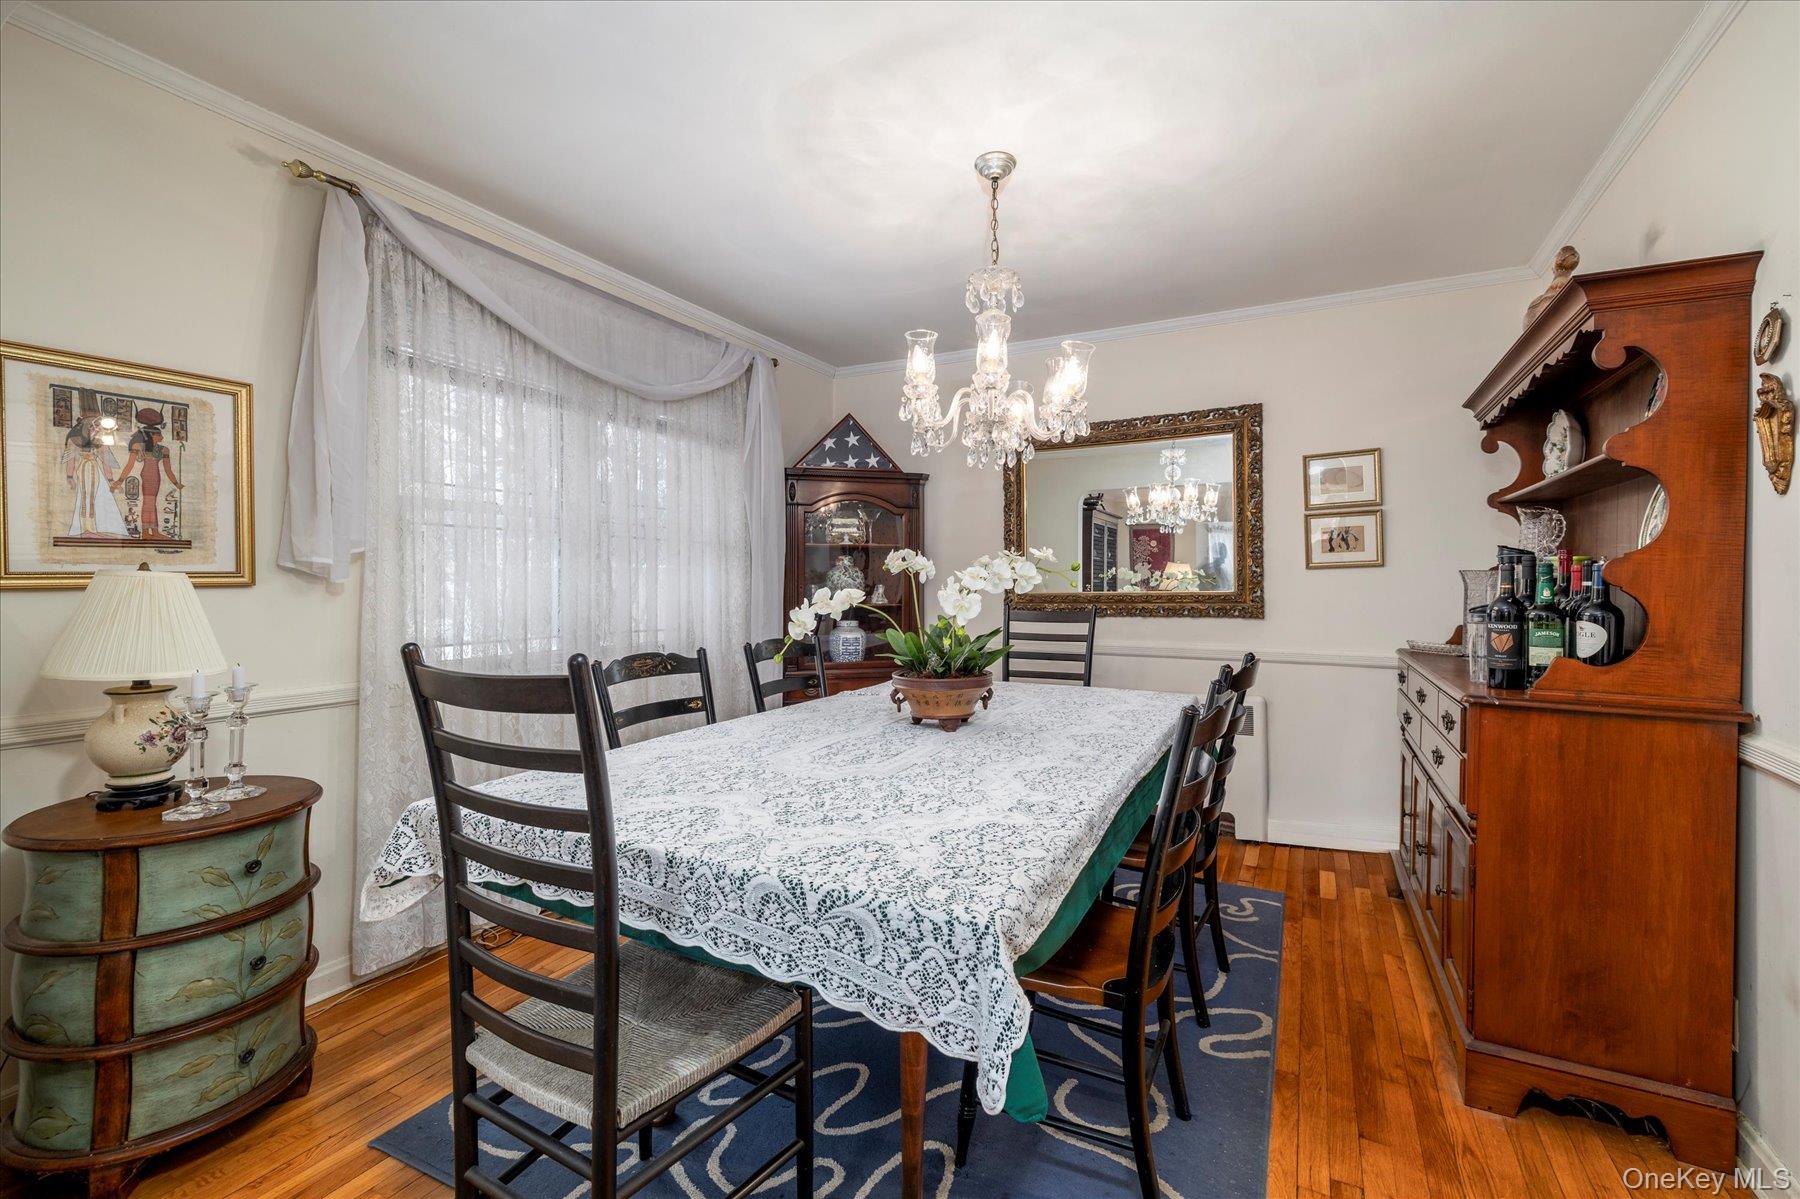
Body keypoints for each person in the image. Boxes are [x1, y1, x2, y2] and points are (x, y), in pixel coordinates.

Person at [112, 408, 183, 539]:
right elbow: (129, 465)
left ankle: (154, 531)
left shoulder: (164, 449)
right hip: (148, 475)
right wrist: (119, 481)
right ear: (152, 436)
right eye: (159, 435)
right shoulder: (139, 447)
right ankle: (146, 532)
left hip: (156, 476)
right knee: (148, 502)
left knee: (151, 502)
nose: (162, 437)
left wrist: (177, 484)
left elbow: (168, 470)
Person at [61, 414, 129, 538]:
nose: (98, 430)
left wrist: (111, 480)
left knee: (94, 498)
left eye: (99, 427)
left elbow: (106, 462)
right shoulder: (75, 439)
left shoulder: (100, 441)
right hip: (84, 469)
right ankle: (87, 529)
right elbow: (70, 460)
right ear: (87, 426)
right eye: (95, 427)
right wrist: (69, 477)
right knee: (86, 498)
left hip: (94, 470)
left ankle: (93, 529)